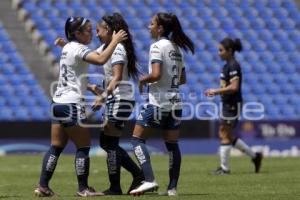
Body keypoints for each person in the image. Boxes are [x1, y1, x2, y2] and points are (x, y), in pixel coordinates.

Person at [34, 16, 127, 197]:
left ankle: (43, 186)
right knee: (83, 146)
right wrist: (115, 41)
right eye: (88, 30)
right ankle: (83, 189)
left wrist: (90, 86)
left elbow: (75, 66)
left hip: (57, 102)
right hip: (72, 103)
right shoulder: (78, 48)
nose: (92, 32)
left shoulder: (68, 47)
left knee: (56, 146)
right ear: (77, 33)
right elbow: (100, 60)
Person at [129, 12, 195, 196]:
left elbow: (156, 74)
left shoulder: (157, 46)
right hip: (176, 103)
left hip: (158, 103)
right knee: (172, 145)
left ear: (160, 28)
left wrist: (143, 80)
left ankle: (149, 180)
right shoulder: (177, 49)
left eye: (151, 24)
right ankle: (172, 188)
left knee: (136, 140)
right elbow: (182, 79)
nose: (148, 27)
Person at [90, 13, 144, 195]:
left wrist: (103, 95)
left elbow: (118, 77)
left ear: (109, 30)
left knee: (110, 143)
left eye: (99, 30)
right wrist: (67, 48)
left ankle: (116, 187)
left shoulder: (118, 49)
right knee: (106, 142)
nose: (96, 34)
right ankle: (137, 175)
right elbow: (87, 56)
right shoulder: (106, 47)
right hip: (116, 99)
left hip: (121, 100)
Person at [204, 37, 263, 175]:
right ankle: (255, 157)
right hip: (228, 103)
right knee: (228, 135)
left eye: (221, 50)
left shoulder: (233, 65)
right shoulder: (227, 65)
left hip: (232, 104)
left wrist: (216, 91)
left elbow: (234, 86)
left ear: (230, 51)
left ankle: (225, 169)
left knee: (223, 133)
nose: (218, 53)